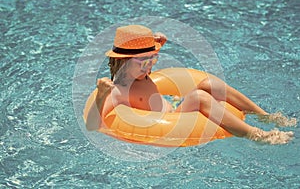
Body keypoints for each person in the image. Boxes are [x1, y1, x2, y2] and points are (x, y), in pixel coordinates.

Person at [86, 25, 296, 145]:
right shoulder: (118, 91)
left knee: (208, 83)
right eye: (144, 61)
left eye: (154, 59)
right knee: (199, 98)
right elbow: (93, 126)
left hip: (174, 110)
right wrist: (101, 96)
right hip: (168, 124)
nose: (149, 67)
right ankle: (256, 134)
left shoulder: (141, 72)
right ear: (122, 62)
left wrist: (157, 42)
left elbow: (151, 52)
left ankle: (264, 114)